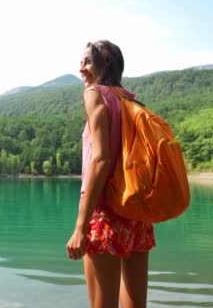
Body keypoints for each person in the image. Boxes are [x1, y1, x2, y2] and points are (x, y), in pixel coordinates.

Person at [66, 40, 156, 308]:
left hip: (105, 211)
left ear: (105, 64)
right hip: (136, 211)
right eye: (80, 62)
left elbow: (101, 159)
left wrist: (81, 228)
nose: (81, 69)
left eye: (87, 62)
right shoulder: (130, 99)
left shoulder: (95, 93)